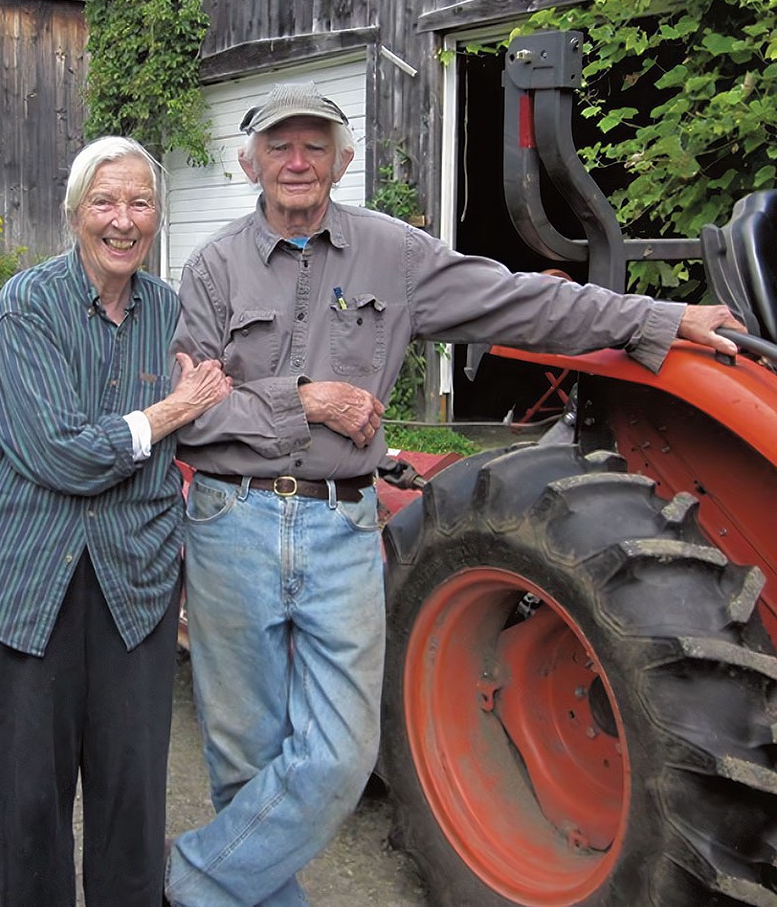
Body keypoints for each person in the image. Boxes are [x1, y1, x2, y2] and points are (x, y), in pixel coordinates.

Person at [162, 82, 743, 907]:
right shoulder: (214, 265)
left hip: (338, 525)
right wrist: (307, 399)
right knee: (244, 752)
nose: (298, 161)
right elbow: (192, 409)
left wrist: (654, 318)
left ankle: (189, 883)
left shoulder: (394, 256)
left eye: (315, 144)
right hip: (232, 516)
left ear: (343, 159)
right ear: (250, 160)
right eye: (280, 146)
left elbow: (522, 301)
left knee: (339, 753)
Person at [0, 136, 232, 907]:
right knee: (27, 808)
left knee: (131, 802)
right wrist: (169, 412)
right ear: (76, 213)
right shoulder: (29, 306)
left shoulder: (173, 316)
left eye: (140, 202)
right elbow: (59, 453)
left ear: (157, 217)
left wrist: (311, 400)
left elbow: (224, 413)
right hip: (24, 586)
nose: (123, 220)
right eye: (105, 202)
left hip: (133, 590)